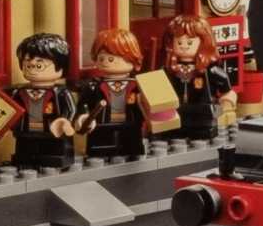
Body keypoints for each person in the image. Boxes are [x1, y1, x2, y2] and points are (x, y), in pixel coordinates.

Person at [76, 28, 171, 158]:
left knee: (132, 153)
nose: (105, 62)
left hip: (131, 130)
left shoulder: (139, 84)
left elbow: (158, 109)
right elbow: (83, 105)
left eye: (111, 59)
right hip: (101, 131)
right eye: (101, 58)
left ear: (132, 58)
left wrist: (154, 118)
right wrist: (83, 118)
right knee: (100, 155)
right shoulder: (93, 86)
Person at [10, 33, 78, 170]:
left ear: (60, 66)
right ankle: (25, 160)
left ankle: (52, 160)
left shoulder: (61, 92)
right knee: (25, 154)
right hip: (26, 133)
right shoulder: (19, 92)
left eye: (39, 66)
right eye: (28, 65)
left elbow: (70, 109)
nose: (32, 69)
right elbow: (9, 108)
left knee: (53, 154)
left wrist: (65, 121)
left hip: (52, 133)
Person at [162, 15, 235, 141]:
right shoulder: (169, 71)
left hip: (202, 118)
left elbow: (227, 91)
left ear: (203, 42)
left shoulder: (210, 70)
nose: (184, 46)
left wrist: (225, 105)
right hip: (174, 118)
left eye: (190, 42)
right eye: (179, 42)